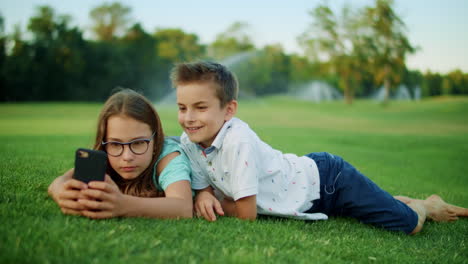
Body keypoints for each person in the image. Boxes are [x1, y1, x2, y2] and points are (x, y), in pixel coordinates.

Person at [171, 61, 468, 234]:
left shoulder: (238, 141)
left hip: (330, 181)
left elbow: (246, 214)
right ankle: (392, 199)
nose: (188, 118)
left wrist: (205, 204)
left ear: (229, 110)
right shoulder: (190, 141)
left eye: (200, 107)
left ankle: (427, 205)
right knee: (372, 205)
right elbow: (203, 185)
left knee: (408, 224)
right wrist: (203, 194)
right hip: (307, 196)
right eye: (182, 108)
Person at [48, 89, 193, 219]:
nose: (127, 157)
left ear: (156, 141)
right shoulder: (104, 154)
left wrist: (123, 205)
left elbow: (184, 208)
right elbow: (60, 181)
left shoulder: (169, 155)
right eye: (116, 144)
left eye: (138, 143)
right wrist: (59, 192)